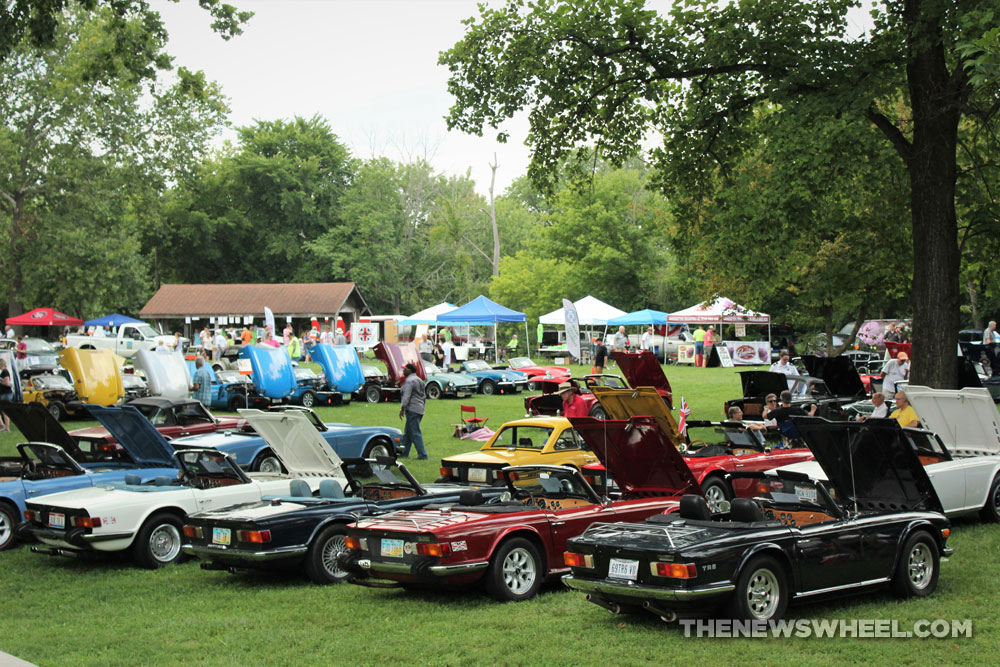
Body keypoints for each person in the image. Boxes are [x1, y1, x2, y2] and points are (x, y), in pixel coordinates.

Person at [398, 363, 427, 459]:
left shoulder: (409, 381)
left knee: (415, 432)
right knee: (408, 433)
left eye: (405, 369)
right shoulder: (420, 380)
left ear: (409, 371)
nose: (403, 371)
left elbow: (406, 396)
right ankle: (403, 453)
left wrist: (402, 408)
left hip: (412, 409)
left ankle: (422, 455)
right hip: (420, 409)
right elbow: (424, 396)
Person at [0, 358, 13, 432]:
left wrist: (0, 382)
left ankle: (7, 428)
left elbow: (7, 383)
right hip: (4, 393)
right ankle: (4, 426)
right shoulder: (4, 372)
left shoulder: (5, 372)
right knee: (3, 411)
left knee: (5, 411)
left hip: (6, 393)